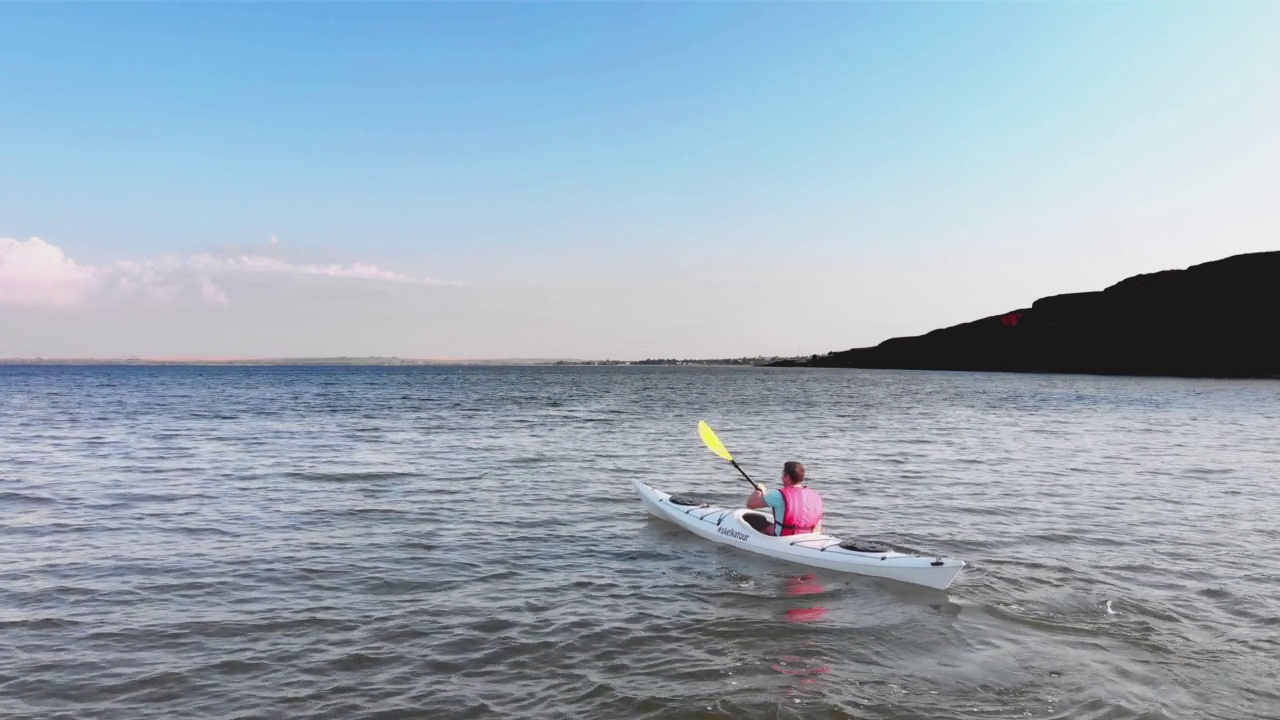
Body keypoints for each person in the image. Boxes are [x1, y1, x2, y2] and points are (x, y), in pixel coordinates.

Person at [746, 461, 824, 536]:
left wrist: (759, 491)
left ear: (787, 477)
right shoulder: (814, 495)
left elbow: (750, 504)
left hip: (785, 537)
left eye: (783, 474)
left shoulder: (778, 495)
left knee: (755, 520)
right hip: (810, 535)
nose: (781, 477)